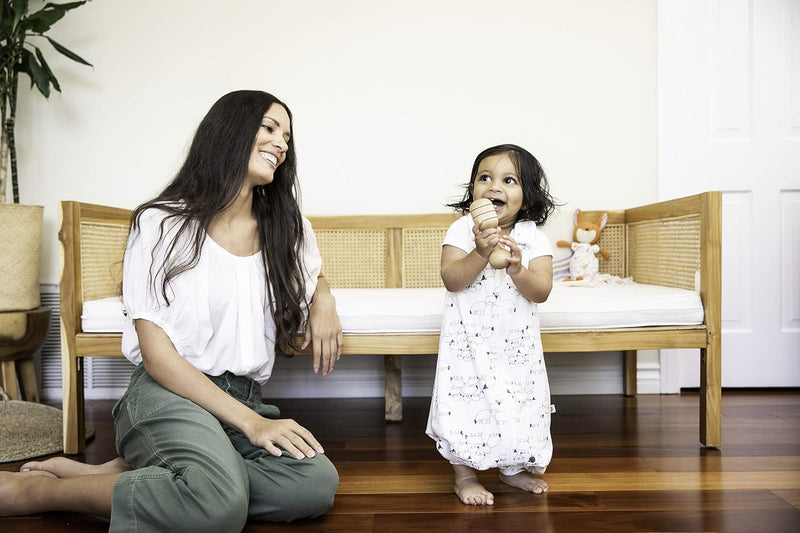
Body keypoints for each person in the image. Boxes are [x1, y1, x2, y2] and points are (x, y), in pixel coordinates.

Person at [0, 90, 342, 530]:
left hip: (242, 395)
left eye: (287, 137)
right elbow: (158, 356)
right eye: (270, 128)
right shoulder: (162, 222)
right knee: (218, 507)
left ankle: (138, 477)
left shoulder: (286, 227)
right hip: (168, 393)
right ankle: (41, 492)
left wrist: (324, 298)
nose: (282, 144)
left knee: (314, 484)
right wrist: (252, 426)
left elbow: (311, 276)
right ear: (230, 131)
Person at [426, 143, 557, 506]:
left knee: (520, 405)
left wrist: (518, 268)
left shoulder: (533, 238)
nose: (494, 186)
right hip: (467, 344)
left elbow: (542, 290)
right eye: (485, 177)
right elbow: (452, 279)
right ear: (473, 191)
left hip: (516, 349)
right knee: (466, 405)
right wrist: (480, 251)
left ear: (526, 196)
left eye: (508, 180)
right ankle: (464, 475)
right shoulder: (461, 230)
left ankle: (512, 468)